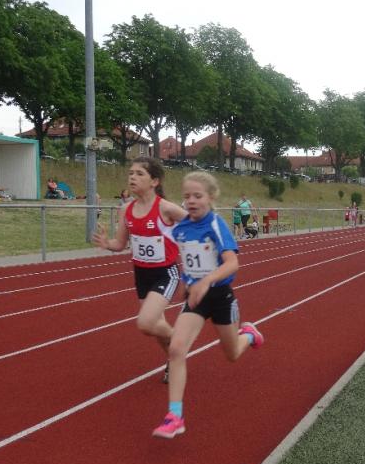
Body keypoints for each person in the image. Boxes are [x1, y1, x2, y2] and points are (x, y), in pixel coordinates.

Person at [155, 171, 264, 439]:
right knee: (176, 349)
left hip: (220, 296)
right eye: (187, 196)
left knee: (232, 354)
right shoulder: (181, 228)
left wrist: (206, 281)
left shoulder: (215, 224)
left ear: (211, 198)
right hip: (196, 298)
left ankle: (249, 335)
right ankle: (175, 416)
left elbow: (232, 263)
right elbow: (188, 258)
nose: (191, 201)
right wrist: (188, 283)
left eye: (198, 196)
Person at [92, 157, 186, 385]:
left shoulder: (166, 208)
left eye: (139, 174)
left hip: (166, 272)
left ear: (154, 181)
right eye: (131, 173)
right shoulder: (126, 210)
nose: (132, 177)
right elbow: (120, 244)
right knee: (154, 326)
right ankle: (173, 360)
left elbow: (197, 224)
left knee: (146, 323)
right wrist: (107, 244)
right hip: (141, 274)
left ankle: (179, 344)